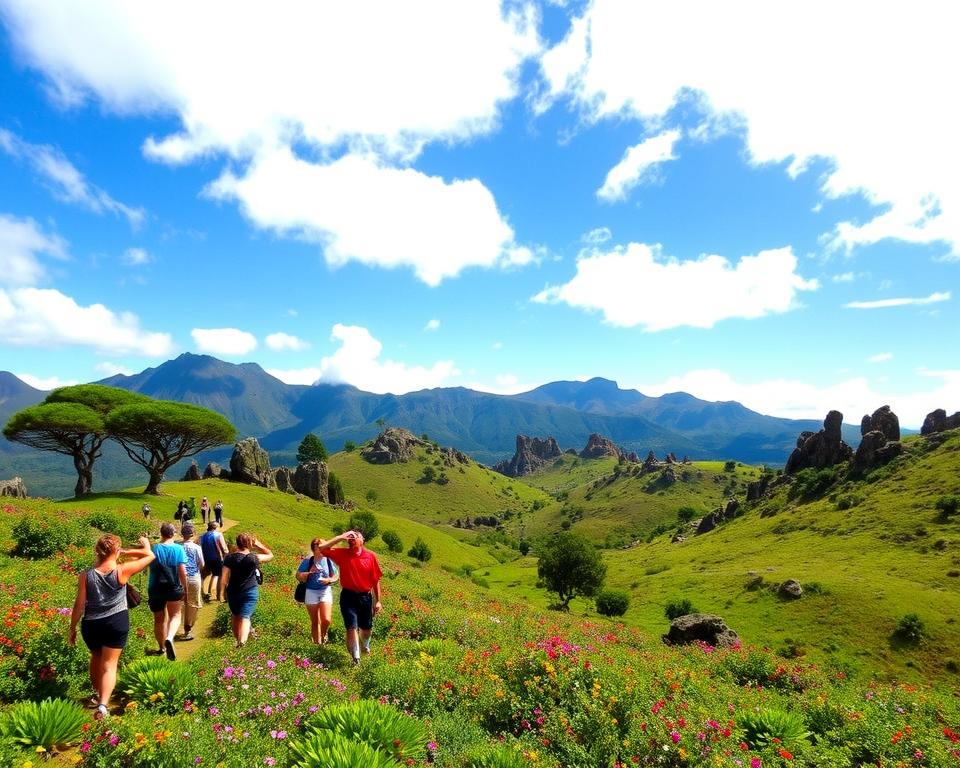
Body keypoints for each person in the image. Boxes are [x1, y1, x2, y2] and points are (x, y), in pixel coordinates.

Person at [68, 534, 154, 719]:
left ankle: (97, 693)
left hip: (91, 624)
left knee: (96, 657)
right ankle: (103, 706)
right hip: (116, 621)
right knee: (109, 666)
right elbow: (150, 556)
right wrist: (137, 548)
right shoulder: (122, 570)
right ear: (116, 551)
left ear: (97, 551)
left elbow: (79, 605)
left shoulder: (86, 575)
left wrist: (72, 628)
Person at [317, 530, 382, 665]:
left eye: (355, 537)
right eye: (349, 537)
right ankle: (356, 658)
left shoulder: (370, 557)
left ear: (362, 540)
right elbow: (322, 549)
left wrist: (378, 601)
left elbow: (375, 580)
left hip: (365, 597)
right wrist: (340, 537)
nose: (351, 539)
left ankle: (364, 645)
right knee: (351, 627)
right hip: (348, 596)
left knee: (366, 629)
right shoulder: (342, 554)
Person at [222, 533, 273, 647]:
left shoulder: (229, 558)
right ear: (249, 543)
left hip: (233, 592)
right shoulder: (253, 558)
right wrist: (259, 545)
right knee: (245, 617)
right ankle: (242, 642)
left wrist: (224, 592)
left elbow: (224, 579)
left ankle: (237, 640)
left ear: (237, 543)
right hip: (250, 591)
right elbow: (270, 555)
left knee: (235, 615)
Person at [148, 522, 188, 660]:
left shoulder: (154, 548)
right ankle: (170, 637)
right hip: (173, 587)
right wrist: (185, 589)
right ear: (174, 533)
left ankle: (162, 648)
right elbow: (182, 572)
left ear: (161, 533)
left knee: (158, 620)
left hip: (155, 588)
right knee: (175, 615)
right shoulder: (179, 549)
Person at [296, 540, 339, 644]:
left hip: (325, 591)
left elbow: (336, 576)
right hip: (311, 591)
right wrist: (307, 574)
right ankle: (317, 645)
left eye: (323, 546)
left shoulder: (328, 560)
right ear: (313, 549)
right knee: (315, 621)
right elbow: (298, 575)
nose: (322, 549)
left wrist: (329, 580)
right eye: (319, 547)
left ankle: (324, 634)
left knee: (326, 620)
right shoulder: (308, 561)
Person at [179, 523, 205, 640]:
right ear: (193, 534)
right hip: (194, 577)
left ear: (182, 534)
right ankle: (188, 629)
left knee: (181, 604)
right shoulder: (197, 548)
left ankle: (175, 627)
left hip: (179, 578)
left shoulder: (178, 547)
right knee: (193, 604)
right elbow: (202, 564)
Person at [200, 521, 229, 602]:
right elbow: (225, 549)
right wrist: (226, 555)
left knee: (205, 575)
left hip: (206, 558)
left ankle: (204, 592)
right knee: (217, 575)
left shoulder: (203, 536)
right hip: (217, 558)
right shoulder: (218, 535)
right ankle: (214, 595)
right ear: (216, 527)